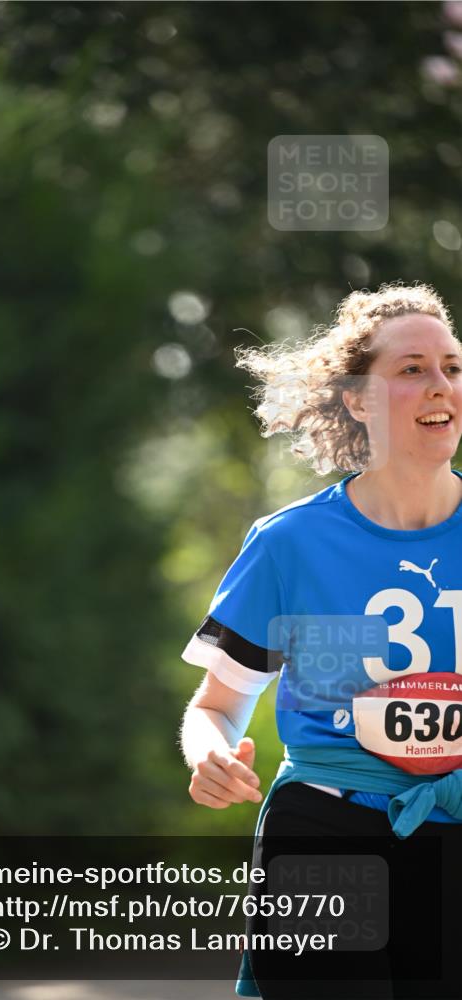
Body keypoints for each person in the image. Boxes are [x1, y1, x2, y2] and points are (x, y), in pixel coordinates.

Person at [179, 283, 462, 1000]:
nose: (440, 385)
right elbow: (215, 705)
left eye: (452, 367)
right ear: (356, 400)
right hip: (325, 834)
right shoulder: (289, 544)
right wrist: (210, 754)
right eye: (411, 369)